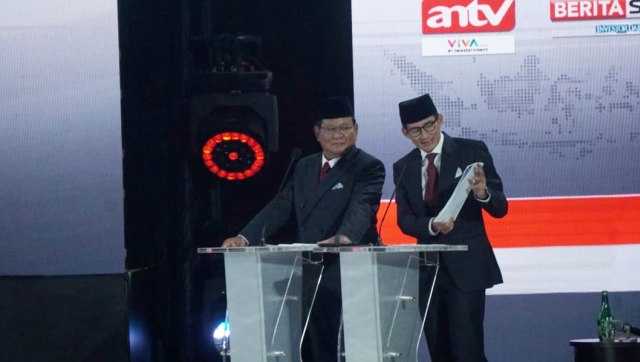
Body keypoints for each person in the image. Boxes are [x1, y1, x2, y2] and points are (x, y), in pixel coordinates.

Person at [222, 96, 385, 361]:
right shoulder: (305, 165)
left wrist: (345, 236)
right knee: (308, 344)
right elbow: (280, 207)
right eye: (331, 129)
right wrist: (244, 237)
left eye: (345, 127)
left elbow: (363, 207)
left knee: (337, 345)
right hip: (306, 267)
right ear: (317, 132)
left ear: (356, 129)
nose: (338, 135)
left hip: (345, 270)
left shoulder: (367, 166)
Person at [393, 94, 507, 362]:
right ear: (405, 132)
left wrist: (482, 192)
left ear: (440, 120)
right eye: (415, 130)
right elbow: (405, 220)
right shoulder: (404, 166)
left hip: (467, 268)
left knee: (467, 352)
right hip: (429, 272)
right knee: (439, 352)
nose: (424, 135)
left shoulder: (471, 150)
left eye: (429, 125)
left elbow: (500, 208)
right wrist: (431, 225)